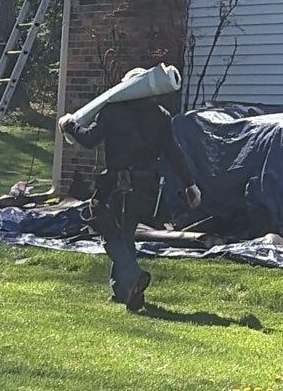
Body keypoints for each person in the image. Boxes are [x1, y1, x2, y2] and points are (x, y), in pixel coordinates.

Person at [60, 89, 199, 311]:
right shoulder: (161, 115)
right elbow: (174, 152)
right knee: (126, 233)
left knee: (107, 230)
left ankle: (133, 276)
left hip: (117, 183)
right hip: (147, 186)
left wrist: (69, 125)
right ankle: (124, 292)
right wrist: (190, 184)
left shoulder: (112, 111)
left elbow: (89, 139)